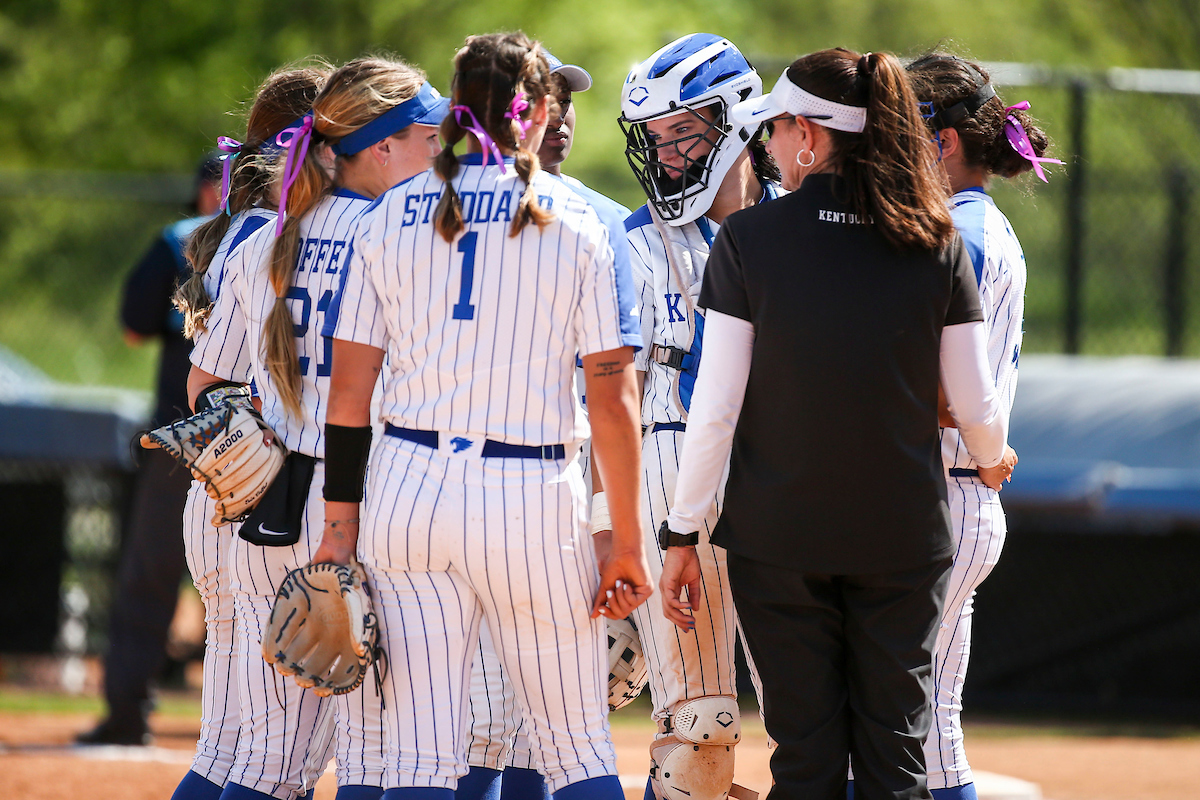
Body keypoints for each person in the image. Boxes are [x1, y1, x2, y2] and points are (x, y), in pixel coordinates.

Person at [658, 48, 1010, 800]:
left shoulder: (749, 242)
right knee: (897, 759)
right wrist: (991, 454)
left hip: (779, 540)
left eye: (777, 131)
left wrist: (682, 531)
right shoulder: (937, 239)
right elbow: (975, 403)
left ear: (810, 138)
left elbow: (715, 409)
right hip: (902, 537)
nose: (770, 149)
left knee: (807, 760)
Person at [315, 31, 649, 800]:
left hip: (407, 489)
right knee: (573, 746)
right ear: (533, 116)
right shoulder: (578, 219)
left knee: (422, 753)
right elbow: (611, 396)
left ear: (456, 110)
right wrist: (624, 540)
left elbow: (349, 392)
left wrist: (339, 526)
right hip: (526, 494)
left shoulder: (389, 214)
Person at [187, 56, 448, 800]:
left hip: (264, 505)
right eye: (427, 135)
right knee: (370, 756)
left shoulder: (269, 233)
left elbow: (203, 384)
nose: (438, 152)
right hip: (355, 505)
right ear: (378, 142)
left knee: (261, 762)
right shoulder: (396, 233)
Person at [458, 48, 634, 800]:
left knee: (534, 725)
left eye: (567, 99)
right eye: (545, 97)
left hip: (555, 476)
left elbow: (621, 386)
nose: (560, 113)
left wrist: (609, 520)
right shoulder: (442, 206)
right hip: (516, 485)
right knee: (486, 718)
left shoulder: (608, 221)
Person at [612, 32, 780, 800]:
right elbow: (607, 399)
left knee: (814, 723)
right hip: (673, 468)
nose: (668, 153)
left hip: (789, 471)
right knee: (700, 729)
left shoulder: (805, 222)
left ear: (738, 118)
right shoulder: (629, 245)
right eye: (656, 137)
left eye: (684, 131)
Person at [168, 63, 330, 800]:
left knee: (231, 745)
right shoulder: (276, 234)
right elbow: (211, 386)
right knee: (273, 758)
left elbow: (203, 384)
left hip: (231, 489)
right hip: (271, 492)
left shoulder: (239, 228)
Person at [899, 52, 1055, 800]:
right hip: (959, 488)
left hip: (945, 494)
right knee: (931, 733)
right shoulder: (971, 223)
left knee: (896, 727)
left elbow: (940, 391)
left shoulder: (962, 230)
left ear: (946, 142)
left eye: (909, 129)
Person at [78, 153, 222, 747]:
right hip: (257, 433)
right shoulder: (288, 233)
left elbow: (136, 325)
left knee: (153, 574)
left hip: (184, 430)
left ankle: (127, 710)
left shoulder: (181, 240)